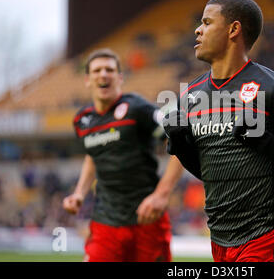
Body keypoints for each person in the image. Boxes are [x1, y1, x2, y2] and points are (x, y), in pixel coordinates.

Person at [163, 0, 274, 262]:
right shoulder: (190, 96)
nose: (198, 29)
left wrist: (269, 143)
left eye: (207, 23)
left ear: (234, 29)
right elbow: (209, 172)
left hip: (268, 235)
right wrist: (182, 147)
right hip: (221, 240)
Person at [63, 48, 184, 262]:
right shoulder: (82, 120)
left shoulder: (137, 109)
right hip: (105, 222)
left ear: (120, 77)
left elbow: (181, 143)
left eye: (109, 70)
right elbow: (93, 155)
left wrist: (161, 195)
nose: (103, 74)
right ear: (87, 79)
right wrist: (79, 193)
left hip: (147, 220)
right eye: (97, 70)